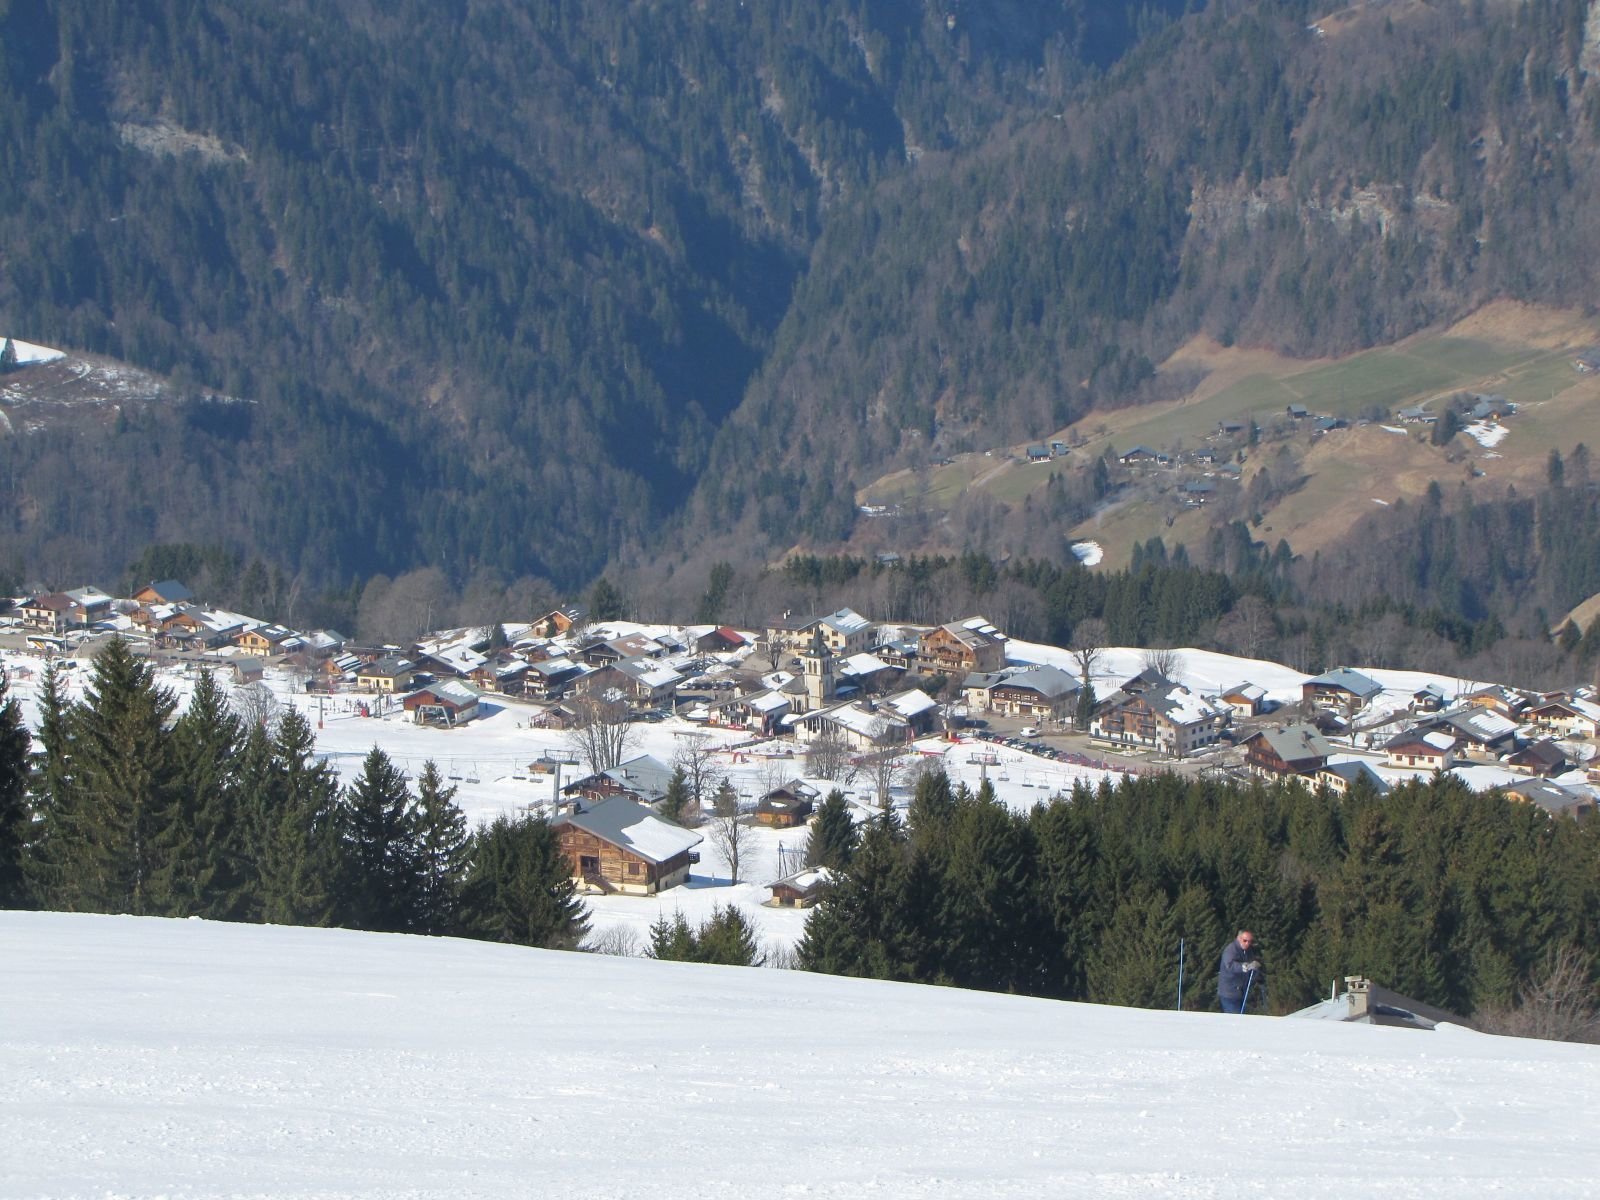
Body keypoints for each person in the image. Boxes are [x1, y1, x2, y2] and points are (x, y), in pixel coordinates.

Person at [1218, 930, 1262, 1013]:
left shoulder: (1248, 951)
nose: (1247, 943)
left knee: (1242, 1016)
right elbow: (1230, 965)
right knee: (1234, 1017)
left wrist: (1256, 970)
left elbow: (1252, 964)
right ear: (1238, 938)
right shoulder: (1231, 950)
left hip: (1242, 992)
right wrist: (1245, 967)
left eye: (1250, 941)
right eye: (1245, 940)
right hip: (1229, 993)